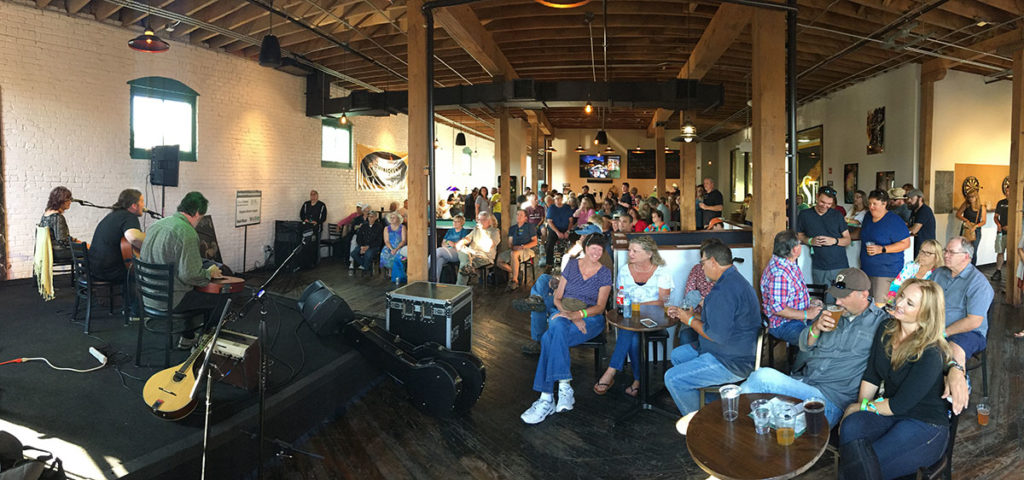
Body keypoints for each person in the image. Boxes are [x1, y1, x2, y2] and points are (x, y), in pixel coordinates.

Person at [741, 268, 889, 427]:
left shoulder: (881, 323)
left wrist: (863, 407)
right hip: (804, 384)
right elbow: (805, 345)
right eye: (836, 296)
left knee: (762, 377)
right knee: (760, 416)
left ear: (864, 295)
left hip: (831, 399)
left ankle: (726, 415)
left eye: (844, 296)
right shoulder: (830, 311)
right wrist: (816, 328)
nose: (837, 302)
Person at [838, 279, 952, 480]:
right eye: (902, 296)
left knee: (865, 463)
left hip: (925, 423)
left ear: (926, 314)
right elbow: (872, 375)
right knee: (851, 426)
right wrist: (860, 408)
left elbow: (899, 405)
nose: (899, 303)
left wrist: (859, 408)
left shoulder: (931, 351)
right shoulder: (886, 327)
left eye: (910, 303)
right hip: (890, 412)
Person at [520, 234, 613, 424]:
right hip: (565, 314)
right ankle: (561, 388)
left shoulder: (604, 273)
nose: (596, 252)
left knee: (549, 336)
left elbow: (600, 307)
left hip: (591, 320)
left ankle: (546, 398)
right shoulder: (571, 265)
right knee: (556, 327)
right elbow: (557, 298)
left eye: (600, 249)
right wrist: (569, 314)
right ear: (585, 248)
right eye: (592, 248)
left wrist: (578, 316)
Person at [663, 241, 761, 415]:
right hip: (734, 349)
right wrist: (683, 315)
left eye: (703, 263)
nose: (701, 268)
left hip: (732, 361)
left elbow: (714, 334)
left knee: (673, 378)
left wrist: (690, 319)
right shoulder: (733, 280)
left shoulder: (724, 291)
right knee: (678, 355)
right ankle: (710, 408)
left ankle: (698, 424)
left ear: (713, 261)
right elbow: (718, 321)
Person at [139, 192, 225, 349]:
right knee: (221, 297)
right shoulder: (186, 232)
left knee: (189, 291)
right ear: (197, 212)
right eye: (201, 217)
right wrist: (209, 273)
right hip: (170, 300)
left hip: (148, 297)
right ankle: (205, 344)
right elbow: (189, 275)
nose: (199, 222)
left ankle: (188, 337)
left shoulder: (156, 225)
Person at [594, 236, 672, 397]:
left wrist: (635, 305)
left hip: (654, 318)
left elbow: (660, 302)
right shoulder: (624, 270)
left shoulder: (662, 272)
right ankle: (637, 380)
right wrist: (624, 303)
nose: (630, 253)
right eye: (630, 250)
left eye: (635, 251)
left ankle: (611, 372)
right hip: (631, 318)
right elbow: (620, 296)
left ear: (649, 253)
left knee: (629, 333)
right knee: (633, 338)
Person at [932, 236, 994, 372]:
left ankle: (959, 383)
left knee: (952, 352)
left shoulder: (978, 284)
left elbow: (974, 321)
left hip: (968, 332)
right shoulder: (938, 273)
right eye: (945, 251)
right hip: (934, 326)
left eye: (951, 252)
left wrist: (943, 333)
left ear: (966, 256)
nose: (946, 255)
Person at [762, 230, 823, 344]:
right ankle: (801, 362)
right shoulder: (780, 273)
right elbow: (778, 308)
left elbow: (793, 294)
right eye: (799, 243)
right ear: (795, 249)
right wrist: (807, 314)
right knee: (813, 339)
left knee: (828, 329)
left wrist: (810, 301)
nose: (800, 246)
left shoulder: (789, 263)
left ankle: (806, 359)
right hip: (783, 323)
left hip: (798, 317)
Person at [860, 189, 911, 300]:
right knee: (867, 305)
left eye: (875, 204)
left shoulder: (894, 220)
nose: (871, 207)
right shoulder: (868, 217)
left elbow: (906, 243)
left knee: (880, 305)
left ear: (884, 204)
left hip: (885, 271)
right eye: (869, 203)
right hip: (867, 269)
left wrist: (882, 249)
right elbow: (862, 234)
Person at [796, 187, 851, 288]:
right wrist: (809, 240)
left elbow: (847, 240)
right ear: (817, 197)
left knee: (842, 300)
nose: (825, 206)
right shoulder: (805, 215)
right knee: (823, 300)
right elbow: (799, 235)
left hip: (840, 265)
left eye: (829, 204)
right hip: (819, 266)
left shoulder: (837, 215)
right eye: (822, 202)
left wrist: (834, 241)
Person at [89, 189, 146, 283]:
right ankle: (135, 298)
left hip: (94, 267)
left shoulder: (113, 215)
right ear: (134, 205)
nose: (144, 205)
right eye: (142, 201)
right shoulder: (129, 216)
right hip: (109, 271)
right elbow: (133, 237)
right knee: (143, 274)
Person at [887, 239, 943, 304]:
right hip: (900, 301)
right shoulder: (910, 266)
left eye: (928, 253)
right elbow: (896, 284)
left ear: (936, 257)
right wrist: (891, 300)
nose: (922, 255)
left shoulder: (938, 274)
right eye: (922, 251)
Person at [455, 212, 500, 285]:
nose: (480, 222)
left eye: (483, 220)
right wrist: (461, 242)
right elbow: (468, 238)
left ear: (489, 221)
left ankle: (459, 287)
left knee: (464, 266)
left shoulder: (494, 231)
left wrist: (482, 231)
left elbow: (489, 246)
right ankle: (469, 267)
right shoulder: (476, 229)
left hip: (484, 256)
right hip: (471, 253)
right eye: (479, 219)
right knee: (462, 251)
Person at [497, 210, 538, 291]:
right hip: (515, 249)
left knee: (514, 254)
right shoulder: (512, 228)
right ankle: (516, 272)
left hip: (527, 249)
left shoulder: (530, 227)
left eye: (521, 215)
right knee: (499, 260)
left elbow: (535, 242)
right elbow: (510, 243)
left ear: (526, 218)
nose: (518, 216)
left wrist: (523, 247)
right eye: (517, 214)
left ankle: (514, 280)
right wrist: (513, 247)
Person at [39, 186, 76, 263]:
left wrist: (75, 240)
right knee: (87, 250)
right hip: (58, 252)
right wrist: (78, 243)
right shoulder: (57, 217)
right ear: (60, 201)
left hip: (48, 251)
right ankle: (87, 274)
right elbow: (62, 241)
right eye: (68, 200)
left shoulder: (46, 214)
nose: (70, 202)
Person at [955, 190, 986, 266]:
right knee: (963, 249)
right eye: (969, 197)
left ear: (976, 197)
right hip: (966, 229)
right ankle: (963, 267)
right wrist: (966, 220)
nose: (970, 199)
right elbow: (958, 214)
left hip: (976, 230)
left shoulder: (981, 207)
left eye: (972, 197)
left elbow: (984, 221)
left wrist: (975, 226)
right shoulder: (966, 205)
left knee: (973, 250)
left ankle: (972, 268)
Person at [544, 192, 574, 268]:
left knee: (575, 241)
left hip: (566, 228)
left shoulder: (567, 207)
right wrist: (557, 232)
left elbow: (571, 221)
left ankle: (573, 262)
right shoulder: (552, 208)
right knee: (549, 244)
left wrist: (567, 231)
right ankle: (549, 263)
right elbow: (549, 222)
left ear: (562, 199)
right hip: (554, 229)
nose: (557, 200)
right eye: (556, 198)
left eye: (559, 198)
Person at [906, 189, 936, 259]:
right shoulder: (914, 211)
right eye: (908, 198)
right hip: (917, 245)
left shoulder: (924, 210)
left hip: (925, 248)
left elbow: (914, 230)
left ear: (920, 198)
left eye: (911, 198)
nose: (909, 201)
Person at [337, 203, 366, 267]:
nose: (358, 209)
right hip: (354, 232)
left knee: (354, 242)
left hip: (361, 234)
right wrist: (339, 224)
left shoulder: (364, 217)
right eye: (357, 208)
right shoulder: (354, 215)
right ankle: (346, 259)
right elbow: (347, 219)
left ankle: (354, 261)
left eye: (360, 208)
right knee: (345, 240)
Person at [992, 182, 1009, 280]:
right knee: (1000, 251)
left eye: (1009, 191)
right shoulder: (1001, 202)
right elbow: (995, 217)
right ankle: (998, 271)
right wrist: (998, 224)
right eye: (1006, 191)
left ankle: (1012, 273)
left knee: (1012, 253)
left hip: (1013, 234)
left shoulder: (1018, 203)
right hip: (1001, 232)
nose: (1007, 193)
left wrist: (1010, 227)